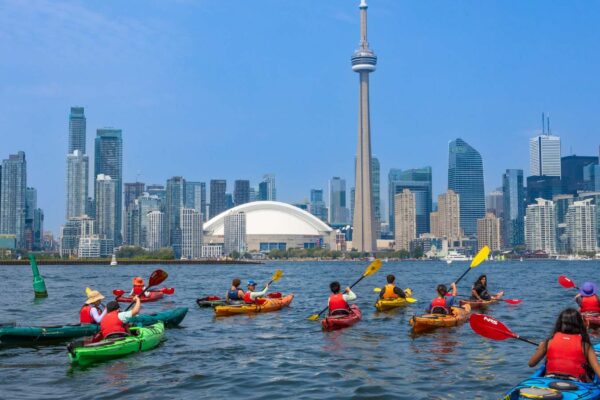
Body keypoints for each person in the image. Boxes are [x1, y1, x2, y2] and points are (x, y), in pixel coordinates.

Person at [528, 308, 600, 382]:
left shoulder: (548, 341)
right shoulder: (585, 345)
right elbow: (597, 370)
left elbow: (531, 363)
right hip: (575, 381)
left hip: (550, 378)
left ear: (560, 323)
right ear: (579, 324)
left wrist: (541, 348)